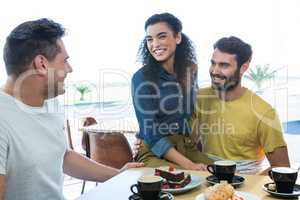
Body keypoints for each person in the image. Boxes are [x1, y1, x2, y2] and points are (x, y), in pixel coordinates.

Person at [0, 18, 143, 200]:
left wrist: (118, 175)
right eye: (65, 61)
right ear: (42, 64)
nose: (70, 69)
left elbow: (63, 156)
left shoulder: (49, 102)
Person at [191, 36, 290, 174]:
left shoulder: (264, 111)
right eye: (213, 63)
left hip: (246, 187)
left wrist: (250, 186)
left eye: (224, 65)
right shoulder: (199, 98)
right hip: (205, 178)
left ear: (243, 68)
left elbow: (282, 166)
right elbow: (193, 144)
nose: (214, 71)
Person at [131, 13, 212, 171]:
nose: (154, 44)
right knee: (184, 178)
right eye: (149, 39)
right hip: (155, 152)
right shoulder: (141, 78)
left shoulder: (190, 69)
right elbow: (151, 132)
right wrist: (189, 165)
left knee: (221, 176)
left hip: (187, 148)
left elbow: (188, 113)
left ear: (178, 37)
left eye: (161, 37)